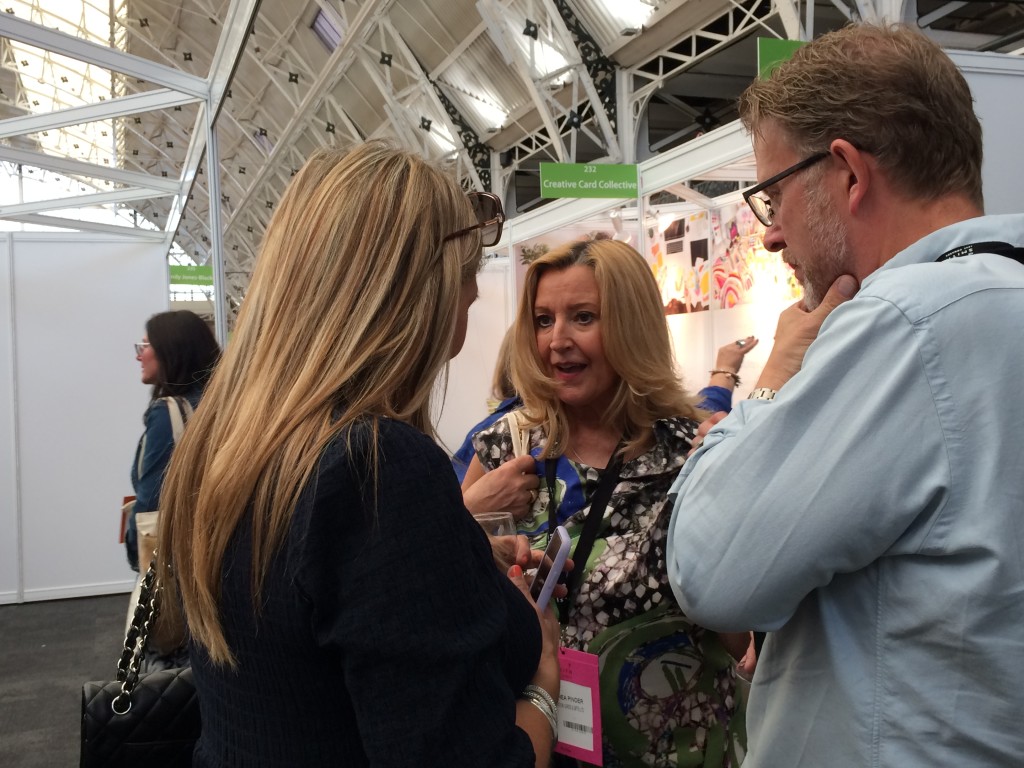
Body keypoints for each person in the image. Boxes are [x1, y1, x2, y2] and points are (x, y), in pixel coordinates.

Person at [667, 23, 1024, 767]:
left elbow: (709, 570)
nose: (770, 236)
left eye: (773, 196)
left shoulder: (905, 326)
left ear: (848, 175)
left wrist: (766, 388)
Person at [158, 142, 562, 767]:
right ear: (415, 293)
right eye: (464, 282)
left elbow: (305, 616)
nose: (470, 304)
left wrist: (458, 556)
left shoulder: (221, 445)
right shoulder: (374, 466)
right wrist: (542, 686)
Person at [463, 238, 746, 767]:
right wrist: (470, 513)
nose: (557, 341)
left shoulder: (689, 451)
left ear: (632, 325)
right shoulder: (508, 446)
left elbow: (737, 636)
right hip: (542, 740)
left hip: (676, 747)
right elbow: (442, 587)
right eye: (544, 320)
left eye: (583, 317)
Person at [126, 309, 219, 573]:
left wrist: (137, 553)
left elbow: (151, 501)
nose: (138, 355)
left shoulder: (169, 414)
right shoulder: (227, 404)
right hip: (221, 552)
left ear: (170, 349)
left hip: (180, 564)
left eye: (145, 346)